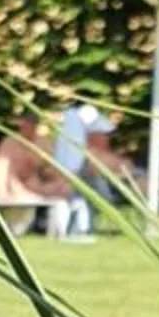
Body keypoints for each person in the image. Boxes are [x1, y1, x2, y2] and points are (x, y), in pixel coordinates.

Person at [46, 91, 116, 238]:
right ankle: (78, 230)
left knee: (75, 199)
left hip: (67, 167)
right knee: (80, 199)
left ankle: (73, 230)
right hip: (77, 168)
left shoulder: (68, 118)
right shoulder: (86, 118)